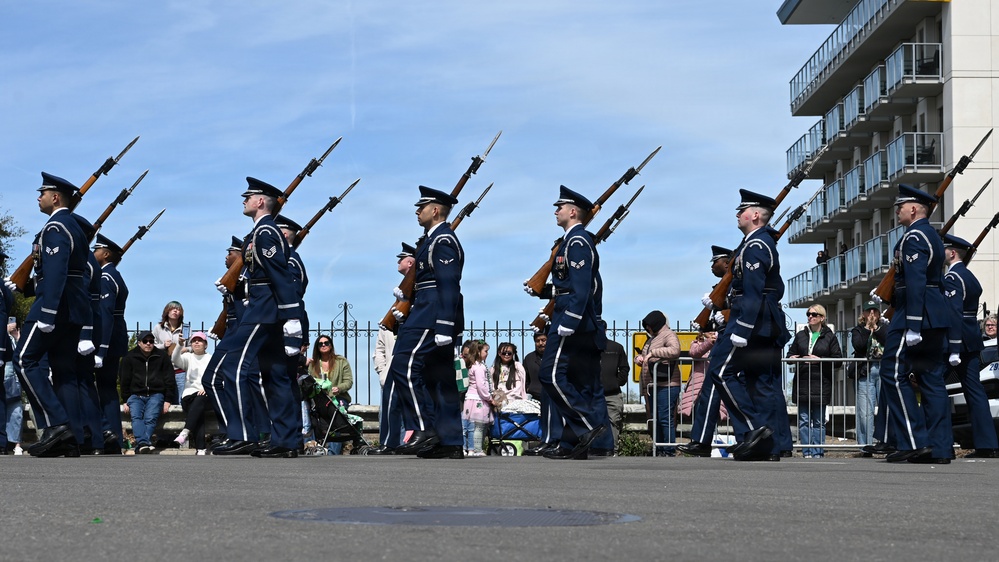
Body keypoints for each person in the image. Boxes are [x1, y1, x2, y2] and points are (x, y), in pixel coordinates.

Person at [208, 177, 304, 458]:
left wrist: (292, 315)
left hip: (264, 310)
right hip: (265, 307)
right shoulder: (260, 233)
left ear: (260, 201)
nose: (244, 200)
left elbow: (280, 276)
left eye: (248, 197)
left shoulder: (264, 233)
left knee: (234, 367)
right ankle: (285, 440)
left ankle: (243, 435)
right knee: (275, 375)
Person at [525, 185, 612, 460]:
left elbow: (583, 286)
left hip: (570, 319)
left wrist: (571, 319)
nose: (556, 211)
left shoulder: (577, 242)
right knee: (579, 382)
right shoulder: (569, 242)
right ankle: (572, 443)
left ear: (573, 212)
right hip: (566, 313)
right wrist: (544, 290)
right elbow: (567, 287)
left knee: (550, 374)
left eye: (560, 207)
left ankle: (586, 428)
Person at [9, 173, 92, 458]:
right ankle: (69, 438)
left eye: (42, 192)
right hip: (72, 307)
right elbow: (68, 272)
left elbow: (56, 272)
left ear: (55, 197)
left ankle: (56, 425)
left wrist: (45, 311)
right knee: (64, 371)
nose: (38, 197)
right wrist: (26, 286)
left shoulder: (56, 226)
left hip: (54, 307)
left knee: (23, 359)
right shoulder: (74, 226)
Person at [704, 189, 791, 462]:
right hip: (762, 321)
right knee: (760, 383)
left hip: (750, 320)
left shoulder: (756, 245)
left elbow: (753, 291)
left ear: (754, 215)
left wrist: (741, 328)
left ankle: (754, 430)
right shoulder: (755, 243)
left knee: (720, 370)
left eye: (742, 211)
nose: (738, 215)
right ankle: (768, 447)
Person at [384, 186, 465, 459]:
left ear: (436, 210)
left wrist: (443, 324)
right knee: (438, 379)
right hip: (426, 308)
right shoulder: (430, 240)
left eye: (423, 206)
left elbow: (449, 285)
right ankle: (449, 440)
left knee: (404, 365)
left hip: (431, 313)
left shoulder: (442, 240)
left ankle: (422, 428)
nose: (417, 211)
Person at [874, 184, 952, 464]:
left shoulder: (915, 236)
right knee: (931, 380)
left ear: (914, 209)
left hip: (913, 314)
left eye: (901, 206)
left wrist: (914, 325)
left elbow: (917, 282)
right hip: (933, 314)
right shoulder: (931, 236)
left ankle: (913, 440)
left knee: (892, 373)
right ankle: (941, 448)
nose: (897, 211)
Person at [942, 234, 999, 458]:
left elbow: (954, 313)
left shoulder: (953, 277)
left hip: (957, 340)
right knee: (975, 392)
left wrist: (953, 347)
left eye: (946, 249)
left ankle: (940, 443)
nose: (943, 252)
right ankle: (987, 444)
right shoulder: (969, 276)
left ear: (953, 253)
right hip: (971, 338)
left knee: (934, 387)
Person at [367, 242, 416, 455]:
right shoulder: (406, 287)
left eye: (402, 259)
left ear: (411, 263)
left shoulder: (414, 284)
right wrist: (381, 370)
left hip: (408, 352)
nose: (398, 261)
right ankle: (390, 441)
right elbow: (381, 343)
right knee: (391, 399)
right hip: (397, 358)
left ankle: (393, 442)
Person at [787, 304, 842, 458]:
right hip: (803, 381)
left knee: (818, 420)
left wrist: (820, 360)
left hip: (821, 382)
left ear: (822, 318)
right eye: (808, 314)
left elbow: (838, 360)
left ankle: (818, 452)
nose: (810, 317)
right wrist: (792, 358)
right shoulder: (801, 335)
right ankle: (806, 452)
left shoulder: (830, 336)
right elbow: (791, 354)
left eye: (814, 314)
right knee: (804, 419)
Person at [92, 234, 129, 453]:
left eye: (97, 250)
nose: (93, 254)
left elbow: (105, 314)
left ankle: (105, 435)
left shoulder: (106, 278)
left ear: (106, 254)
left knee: (101, 388)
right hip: (115, 337)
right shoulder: (116, 275)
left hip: (107, 339)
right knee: (107, 390)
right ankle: (113, 440)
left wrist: (101, 349)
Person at [119, 330, 176, 454]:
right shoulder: (129, 357)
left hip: (156, 394)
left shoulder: (162, 356)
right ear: (139, 342)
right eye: (145, 341)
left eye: (151, 341)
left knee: (150, 418)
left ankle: (142, 443)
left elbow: (169, 379)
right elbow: (124, 380)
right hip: (135, 395)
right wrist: (125, 399)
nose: (148, 344)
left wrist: (168, 399)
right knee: (136, 417)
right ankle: (144, 443)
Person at [636, 310, 681, 456]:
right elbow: (647, 356)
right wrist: (640, 359)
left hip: (666, 385)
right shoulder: (652, 338)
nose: (647, 329)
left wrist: (653, 353)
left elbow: (674, 350)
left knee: (665, 418)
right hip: (652, 386)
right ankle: (660, 449)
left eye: (649, 325)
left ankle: (668, 450)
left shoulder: (668, 334)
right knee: (656, 419)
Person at [308, 335, 353, 454]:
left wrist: (339, 388)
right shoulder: (313, 365)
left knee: (336, 414)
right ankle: (312, 448)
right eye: (320, 343)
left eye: (326, 343)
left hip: (338, 398)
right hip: (319, 400)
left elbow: (348, 381)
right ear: (317, 347)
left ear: (331, 345)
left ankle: (333, 452)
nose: (323, 345)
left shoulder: (341, 361)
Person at [851, 301, 886, 449]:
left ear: (879, 314)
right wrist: (867, 329)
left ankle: (886, 442)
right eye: (868, 311)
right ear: (863, 314)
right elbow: (858, 345)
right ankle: (866, 445)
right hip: (865, 372)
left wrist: (876, 329)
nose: (871, 314)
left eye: (874, 311)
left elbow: (889, 341)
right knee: (865, 413)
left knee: (886, 409)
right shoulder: (858, 330)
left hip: (883, 372)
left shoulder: (885, 328)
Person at [172, 331, 213, 454]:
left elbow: (217, 378)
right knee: (197, 406)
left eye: (200, 340)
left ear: (205, 344)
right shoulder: (188, 357)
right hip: (189, 396)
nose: (196, 342)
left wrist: (206, 388)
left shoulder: (210, 358)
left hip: (206, 395)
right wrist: (179, 345)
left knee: (200, 400)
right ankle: (200, 448)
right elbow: (174, 359)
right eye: (194, 340)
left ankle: (185, 433)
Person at [597, 339, 629, 455]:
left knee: (613, 422)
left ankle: (612, 451)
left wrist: (616, 383)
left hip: (612, 393)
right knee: (593, 423)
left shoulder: (616, 347)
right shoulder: (586, 346)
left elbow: (624, 368)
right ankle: (594, 450)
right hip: (592, 393)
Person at [461, 340, 492, 457]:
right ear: (478, 352)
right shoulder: (479, 367)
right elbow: (481, 385)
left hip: (470, 398)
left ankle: (466, 448)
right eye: (486, 351)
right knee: (478, 425)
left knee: (468, 425)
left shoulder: (473, 365)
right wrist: (489, 397)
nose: (487, 353)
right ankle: (476, 449)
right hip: (478, 399)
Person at [152, 300, 186, 404]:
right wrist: (163, 345)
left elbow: (192, 346)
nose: (175, 311)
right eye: (172, 309)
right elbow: (150, 346)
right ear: (167, 311)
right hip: (164, 369)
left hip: (180, 369)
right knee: (166, 400)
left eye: (178, 309)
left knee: (182, 400)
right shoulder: (158, 328)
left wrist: (185, 349)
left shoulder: (185, 328)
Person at [490, 342, 527, 409]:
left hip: (514, 401)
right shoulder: (493, 369)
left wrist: (524, 399)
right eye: (504, 353)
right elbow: (492, 385)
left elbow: (523, 383)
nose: (506, 355)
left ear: (513, 354)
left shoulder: (517, 366)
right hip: (499, 401)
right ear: (499, 353)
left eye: (509, 353)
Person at [4, 320, 23, 454]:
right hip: (5, 369)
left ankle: (16, 444)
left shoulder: (13, 336)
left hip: (13, 373)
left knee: (16, 409)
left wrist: (17, 338)